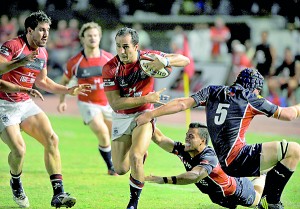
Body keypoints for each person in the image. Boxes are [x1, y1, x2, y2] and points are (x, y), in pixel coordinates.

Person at [136, 68, 300, 209]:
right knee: (293, 150)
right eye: (258, 90)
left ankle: (264, 182)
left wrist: (150, 114)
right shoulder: (249, 97)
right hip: (238, 158)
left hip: (226, 164)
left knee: (269, 168)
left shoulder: (212, 91)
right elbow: (289, 114)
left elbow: (181, 103)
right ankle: (271, 201)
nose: (258, 94)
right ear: (253, 87)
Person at [0, 11, 91, 208]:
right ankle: (15, 181)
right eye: (41, 30)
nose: (45, 34)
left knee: (52, 139)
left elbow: (42, 81)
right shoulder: (12, 46)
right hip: (4, 105)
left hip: (24, 103)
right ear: (30, 30)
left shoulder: (42, 52)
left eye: (47, 30)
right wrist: (21, 62)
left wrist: (68, 90)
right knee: (19, 150)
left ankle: (58, 193)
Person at [102, 27, 190, 209]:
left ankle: (133, 203)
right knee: (119, 168)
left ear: (136, 46)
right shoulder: (110, 68)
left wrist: (164, 61)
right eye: (118, 46)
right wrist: (147, 98)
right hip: (121, 116)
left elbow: (185, 60)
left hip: (144, 113)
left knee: (135, 156)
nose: (121, 51)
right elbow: (115, 103)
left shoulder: (148, 58)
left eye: (126, 47)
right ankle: (151, 140)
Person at [149, 124, 267, 209]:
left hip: (237, 192)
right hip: (217, 197)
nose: (186, 139)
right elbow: (160, 139)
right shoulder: (185, 150)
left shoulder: (209, 157)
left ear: (202, 140)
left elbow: (196, 175)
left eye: (191, 136)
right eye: (186, 135)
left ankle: (264, 173)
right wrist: (148, 119)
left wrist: (164, 180)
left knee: (257, 200)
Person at [57, 22, 117, 176]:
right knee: (102, 132)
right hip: (87, 103)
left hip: (108, 103)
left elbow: (119, 80)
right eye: (89, 35)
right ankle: (111, 167)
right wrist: (62, 101)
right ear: (82, 39)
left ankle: (118, 162)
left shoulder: (109, 59)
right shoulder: (75, 62)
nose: (92, 38)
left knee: (115, 136)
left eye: (95, 35)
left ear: (100, 37)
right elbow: (64, 82)